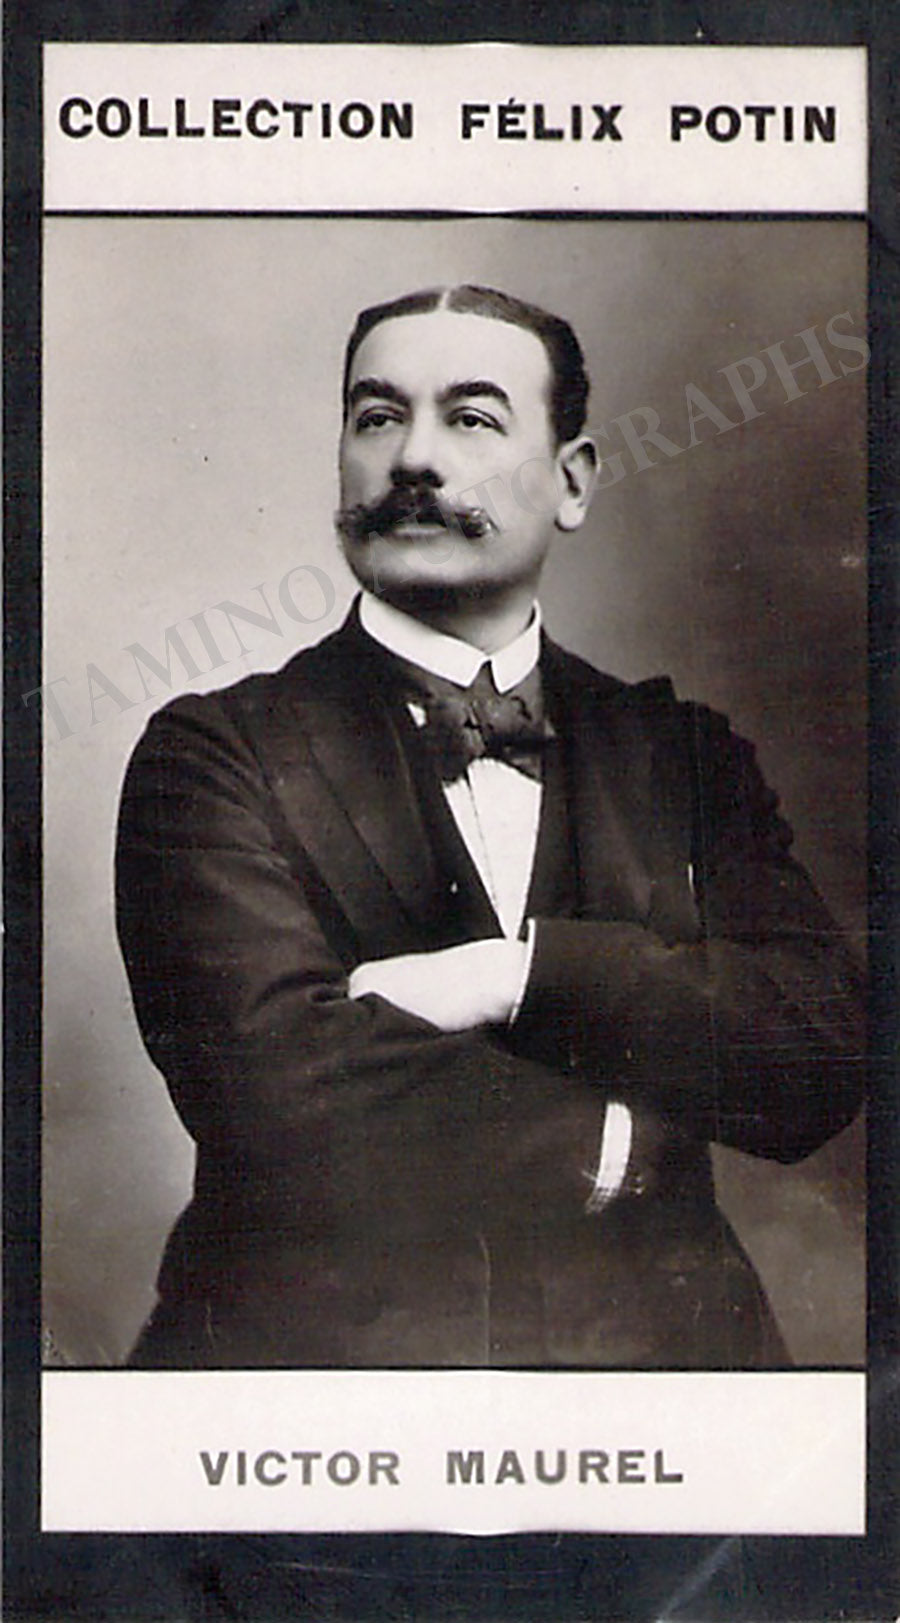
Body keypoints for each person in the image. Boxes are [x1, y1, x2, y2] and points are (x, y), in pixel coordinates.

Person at [116, 284, 864, 1369]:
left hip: (667, 1387)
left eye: (470, 418)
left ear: (572, 481)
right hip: (314, 1391)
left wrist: (515, 977)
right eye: (378, 417)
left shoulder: (684, 752)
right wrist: (627, 1128)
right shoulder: (214, 751)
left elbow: (817, 1056)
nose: (414, 458)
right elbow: (270, 1101)